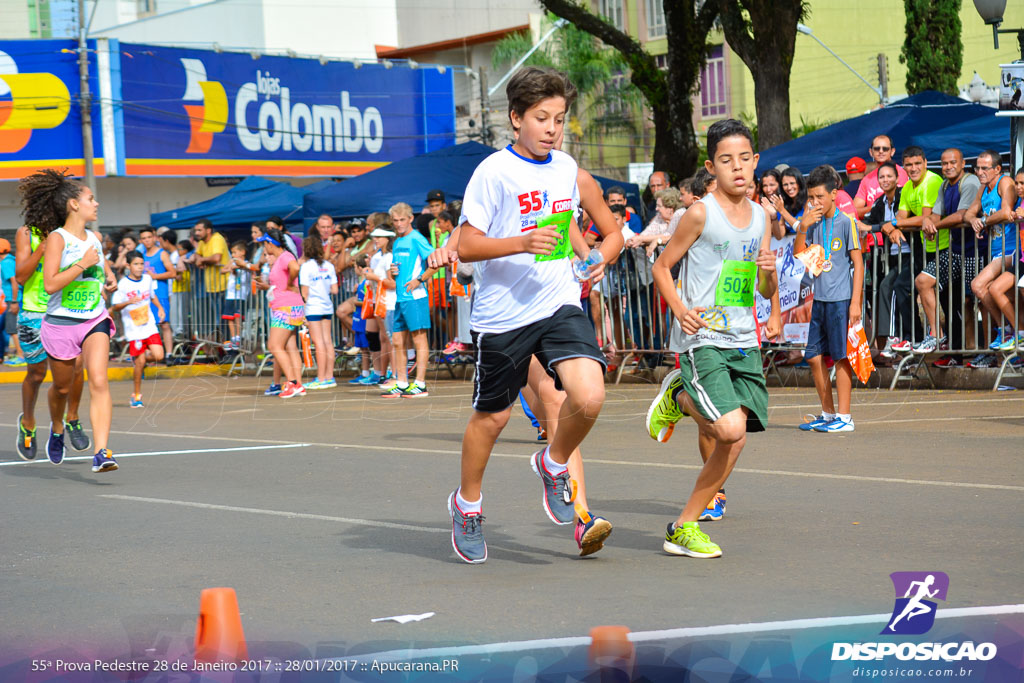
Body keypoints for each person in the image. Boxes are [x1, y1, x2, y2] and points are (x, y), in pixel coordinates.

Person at [426, 66, 622, 563]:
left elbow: (601, 232)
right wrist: (520, 242)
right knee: (492, 419)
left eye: (559, 118)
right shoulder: (493, 172)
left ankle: (554, 463)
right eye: (541, 118)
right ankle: (467, 504)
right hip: (503, 316)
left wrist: (597, 258)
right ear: (516, 119)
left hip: (557, 302)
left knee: (590, 395)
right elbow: (467, 244)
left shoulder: (566, 169)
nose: (553, 128)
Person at [644, 118, 778, 558]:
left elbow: (762, 289)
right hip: (704, 338)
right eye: (726, 160)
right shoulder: (700, 213)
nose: (737, 168)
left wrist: (770, 281)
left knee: (735, 439)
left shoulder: (763, 216)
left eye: (744, 158)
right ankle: (682, 394)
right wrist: (681, 310)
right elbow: (662, 267)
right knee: (729, 425)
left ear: (755, 162)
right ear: (711, 167)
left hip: (745, 339)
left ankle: (683, 527)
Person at [20, 169, 119, 472]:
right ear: (74, 204)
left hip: (94, 319)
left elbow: (98, 270)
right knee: (61, 388)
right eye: (91, 198)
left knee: (98, 380)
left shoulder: (96, 238)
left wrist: (108, 278)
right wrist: (82, 264)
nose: (96, 203)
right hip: (61, 322)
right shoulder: (56, 239)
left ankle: (102, 452)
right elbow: (49, 284)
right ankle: (57, 426)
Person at [794, 166, 864, 432]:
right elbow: (800, 253)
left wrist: (855, 302)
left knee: (840, 356)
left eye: (820, 197)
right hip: (820, 299)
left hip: (841, 300)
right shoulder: (812, 222)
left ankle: (845, 418)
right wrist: (802, 226)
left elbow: (858, 263)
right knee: (812, 356)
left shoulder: (846, 222)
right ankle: (828, 413)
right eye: (811, 198)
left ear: (834, 194)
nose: (815, 203)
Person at [13, 225, 91, 459]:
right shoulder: (27, 233)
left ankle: (73, 418)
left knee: (76, 366)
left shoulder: (70, 232)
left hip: (65, 309)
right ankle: (27, 422)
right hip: (33, 313)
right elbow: (20, 276)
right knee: (36, 374)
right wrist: (42, 249)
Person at [913, 148, 982, 357]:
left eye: (953, 163)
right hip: (955, 251)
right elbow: (935, 215)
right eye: (944, 163)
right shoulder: (945, 185)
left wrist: (936, 225)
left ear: (962, 164)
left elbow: (962, 216)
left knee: (973, 301)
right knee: (923, 281)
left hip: (975, 251)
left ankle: (978, 350)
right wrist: (927, 222)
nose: (948, 167)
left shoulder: (969, 182)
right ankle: (936, 334)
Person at [881, 147, 942, 352]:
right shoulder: (907, 187)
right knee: (902, 285)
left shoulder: (932, 181)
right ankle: (912, 337)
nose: (914, 168)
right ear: (903, 166)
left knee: (956, 301)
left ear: (925, 163)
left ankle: (950, 344)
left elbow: (926, 217)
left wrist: (896, 226)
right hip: (922, 249)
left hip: (942, 248)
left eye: (917, 163)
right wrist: (897, 225)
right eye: (909, 165)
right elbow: (901, 217)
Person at [966, 151, 1020, 351]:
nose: (979, 172)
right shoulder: (983, 188)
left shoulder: (1005, 182)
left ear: (997, 169)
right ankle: (1007, 329)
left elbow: (1006, 211)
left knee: (978, 285)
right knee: (987, 290)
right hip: (997, 250)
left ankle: (1011, 330)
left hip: (1011, 249)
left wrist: (983, 221)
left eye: (984, 168)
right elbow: (969, 213)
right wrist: (974, 220)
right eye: (977, 168)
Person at [381, 202, 436, 398]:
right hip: (400, 298)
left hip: (415, 297)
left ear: (410, 219)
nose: (398, 224)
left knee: (419, 340)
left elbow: (435, 262)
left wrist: (419, 279)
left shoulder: (417, 239)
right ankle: (402, 382)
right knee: (397, 341)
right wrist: (395, 273)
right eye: (395, 221)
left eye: (402, 220)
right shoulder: (396, 242)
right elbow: (398, 270)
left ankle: (420, 384)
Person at [255, 227, 306, 398]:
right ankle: (297, 385)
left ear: (270, 244)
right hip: (288, 307)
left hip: (286, 308)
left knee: (274, 345)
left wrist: (292, 281)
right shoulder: (282, 258)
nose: (264, 247)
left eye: (264, 244)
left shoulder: (285, 257)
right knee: (289, 346)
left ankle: (292, 383)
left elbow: (295, 268)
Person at [863, 162, 907, 358]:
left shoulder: (903, 195)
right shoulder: (880, 202)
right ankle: (896, 339)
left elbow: (903, 221)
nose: (885, 180)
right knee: (885, 288)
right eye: (882, 177)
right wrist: (881, 226)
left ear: (897, 178)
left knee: (888, 287)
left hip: (910, 253)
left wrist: (886, 226)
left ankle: (893, 338)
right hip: (891, 255)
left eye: (889, 176)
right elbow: (868, 223)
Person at [111, 252, 166, 408]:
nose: (139, 267)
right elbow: (115, 306)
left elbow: (152, 296)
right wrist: (129, 301)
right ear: (128, 266)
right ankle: (136, 396)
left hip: (149, 325)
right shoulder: (123, 284)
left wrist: (160, 308)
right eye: (136, 264)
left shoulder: (148, 279)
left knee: (159, 355)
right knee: (140, 362)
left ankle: (141, 364)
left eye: (142, 264)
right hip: (133, 329)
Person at [986, 168, 1024, 350]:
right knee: (996, 289)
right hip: (1022, 260)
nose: (1018, 187)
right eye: (1017, 183)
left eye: (1022, 183)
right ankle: (1020, 333)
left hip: (1016, 257)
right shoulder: (1021, 203)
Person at [299, 233, 339, 389]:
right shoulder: (329, 266)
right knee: (327, 341)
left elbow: (304, 293)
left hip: (313, 307)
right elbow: (335, 290)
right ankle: (329, 377)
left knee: (319, 343)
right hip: (326, 306)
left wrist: (302, 313)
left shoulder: (306, 267)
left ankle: (321, 378)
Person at [364, 225, 397, 385]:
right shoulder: (383, 256)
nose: (375, 239)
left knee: (391, 340)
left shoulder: (390, 257)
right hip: (382, 303)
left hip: (389, 303)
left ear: (388, 238)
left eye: (379, 236)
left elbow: (393, 283)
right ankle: (384, 374)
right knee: (384, 339)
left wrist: (374, 277)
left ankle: (395, 376)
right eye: (374, 236)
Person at [853, 134, 910, 219]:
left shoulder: (900, 174)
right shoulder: (866, 179)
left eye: (885, 149)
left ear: (892, 151)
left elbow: (900, 206)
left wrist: (873, 209)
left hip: (894, 228)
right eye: (877, 148)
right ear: (871, 152)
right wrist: (876, 208)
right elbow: (854, 211)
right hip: (872, 229)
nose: (881, 151)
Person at [138, 226, 175, 355]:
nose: (147, 240)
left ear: (154, 238)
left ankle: (169, 354)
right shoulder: (141, 256)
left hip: (161, 293)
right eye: (144, 238)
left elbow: (172, 272)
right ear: (140, 241)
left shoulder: (162, 253)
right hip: (146, 296)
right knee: (147, 325)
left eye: (149, 237)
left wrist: (155, 276)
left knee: (164, 324)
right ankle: (152, 353)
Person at [192, 218, 231, 337]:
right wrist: (199, 259)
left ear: (208, 230)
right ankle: (224, 345)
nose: (197, 233)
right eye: (196, 230)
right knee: (218, 318)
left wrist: (201, 260)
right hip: (212, 286)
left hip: (223, 285)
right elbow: (196, 254)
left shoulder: (217, 239)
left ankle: (229, 345)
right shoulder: (202, 242)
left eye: (199, 230)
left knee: (225, 319)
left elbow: (216, 258)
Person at [221, 241, 250, 352]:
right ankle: (233, 338)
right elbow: (223, 270)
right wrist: (230, 267)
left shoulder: (246, 263)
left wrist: (239, 266)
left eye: (234, 252)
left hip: (241, 294)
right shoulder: (231, 261)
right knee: (229, 316)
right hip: (231, 294)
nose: (233, 255)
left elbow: (250, 271)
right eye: (232, 253)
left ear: (242, 252)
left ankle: (238, 336)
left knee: (238, 316)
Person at [772, 167, 807, 234]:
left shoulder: (808, 202)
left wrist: (782, 210)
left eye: (792, 183)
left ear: (799, 183)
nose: (789, 188)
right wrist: (774, 216)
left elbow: (802, 230)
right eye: (785, 184)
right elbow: (780, 236)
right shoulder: (782, 204)